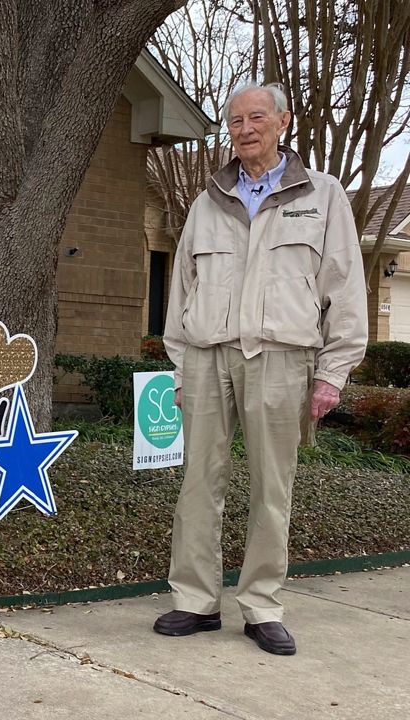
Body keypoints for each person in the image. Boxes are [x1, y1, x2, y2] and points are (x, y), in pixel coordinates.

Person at [155, 82, 367, 656]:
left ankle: (262, 605)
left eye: (256, 118)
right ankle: (195, 602)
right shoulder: (207, 201)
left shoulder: (322, 196)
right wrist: (178, 368)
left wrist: (333, 373)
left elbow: (344, 289)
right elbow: (183, 290)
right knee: (198, 481)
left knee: (273, 488)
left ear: (282, 122)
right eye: (235, 121)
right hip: (206, 355)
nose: (245, 129)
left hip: (281, 356)